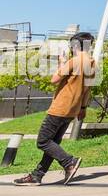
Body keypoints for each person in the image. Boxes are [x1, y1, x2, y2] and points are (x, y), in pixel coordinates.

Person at [13, 32, 95, 186]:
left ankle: (69, 162)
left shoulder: (75, 61)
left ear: (76, 45)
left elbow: (54, 79)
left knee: (43, 142)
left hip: (60, 107)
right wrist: (83, 107)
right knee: (53, 144)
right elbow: (87, 90)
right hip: (73, 109)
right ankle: (37, 175)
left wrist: (62, 62)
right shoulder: (92, 63)